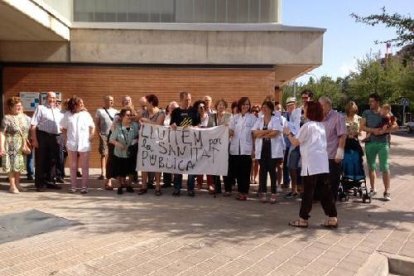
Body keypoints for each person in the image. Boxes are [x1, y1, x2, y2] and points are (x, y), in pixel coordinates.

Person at [284, 101, 338, 228]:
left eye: (305, 109)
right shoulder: (321, 126)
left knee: (308, 192)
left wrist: (288, 133)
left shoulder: (307, 126)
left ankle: (303, 219)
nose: (304, 111)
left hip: (311, 164)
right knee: (325, 192)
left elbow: (295, 142)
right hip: (322, 163)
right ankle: (332, 217)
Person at [360, 93, 398, 201]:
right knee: (371, 167)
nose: (369, 103)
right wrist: (373, 130)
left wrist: (384, 130)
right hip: (370, 143)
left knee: (385, 167)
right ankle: (373, 189)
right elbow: (362, 127)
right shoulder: (366, 112)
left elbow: (396, 127)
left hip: (383, 143)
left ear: (377, 102)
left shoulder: (386, 111)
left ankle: (387, 192)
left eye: (371, 101)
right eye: (369, 101)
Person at [61, 96, 95, 194]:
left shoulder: (86, 114)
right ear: (75, 105)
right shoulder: (67, 115)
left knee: (84, 166)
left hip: (84, 143)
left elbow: (92, 126)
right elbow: (63, 128)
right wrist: (66, 138)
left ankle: (84, 187)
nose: (83, 104)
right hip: (72, 143)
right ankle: (73, 187)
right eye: (81, 103)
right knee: (73, 166)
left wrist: (91, 136)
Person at [31, 91, 64, 192]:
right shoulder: (40, 108)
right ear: (46, 98)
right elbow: (33, 125)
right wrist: (34, 140)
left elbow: (62, 125)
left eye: (54, 98)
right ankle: (40, 184)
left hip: (56, 137)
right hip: (43, 136)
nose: (53, 100)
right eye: (51, 97)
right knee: (41, 160)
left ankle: (50, 182)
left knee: (53, 160)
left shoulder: (58, 111)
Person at [252, 101, 283, 204]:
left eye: (266, 107)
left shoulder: (276, 119)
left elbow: (275, 133)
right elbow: (254, 133)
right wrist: (267, 131)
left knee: (272, 171)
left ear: (271, 109)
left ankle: (273, 193)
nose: (264, 109)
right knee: (263, 171)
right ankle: (263, 192)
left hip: (272, 148)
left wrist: (262, 134)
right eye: (263, 107)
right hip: (262, 148)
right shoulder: (259, 120)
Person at [170, 91, 201, 197]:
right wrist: (173, 125)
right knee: (178, 166)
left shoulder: (194, 111)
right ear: (181, 100)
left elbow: (198, 125)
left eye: (189, 99)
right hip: (179, 144)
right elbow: (171, 124)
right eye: (186, 99)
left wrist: (193, 128)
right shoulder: (176, 112)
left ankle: (190, 188)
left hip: (191, 144)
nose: (188, 101)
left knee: (191, 166)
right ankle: (177, 188)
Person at [227, 97, 257, 201]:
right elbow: (230, 131)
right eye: (243, 104)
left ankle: (244, 192)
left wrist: (254, 149)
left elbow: (254, 134)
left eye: (247, 104)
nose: (245, 106)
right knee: (238, 172)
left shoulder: (253, 118)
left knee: (245, 172)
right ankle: (240, 191)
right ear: (240, 105)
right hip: (235, 148)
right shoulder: (234, 117)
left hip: (246, 149)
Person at [0, 97, 31, 193]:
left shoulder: (24, 117)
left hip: (20, 145)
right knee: (11, 165)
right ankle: (12, 186)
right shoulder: (7, 118)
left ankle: (18, 184)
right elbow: (1, 133)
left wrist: (26, 141)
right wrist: (1, 147)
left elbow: (26, 130)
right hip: (10, 144)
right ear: (11, 107)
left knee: (19, 165)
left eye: (20, 105)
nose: (19, 107)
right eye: (17, 106)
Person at [319, 96, 346, 201]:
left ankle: (332, 202)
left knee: (333, 180)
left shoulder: (338, 117)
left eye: (321, 106)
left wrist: (340, 152)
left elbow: (343, 135)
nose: (320, 108)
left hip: (332, 155)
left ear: (328, 105)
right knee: (322, 180)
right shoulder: (320, 117)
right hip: (320, 154)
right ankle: (324, 200)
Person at [137, 94, 165, 196]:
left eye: (146, 103)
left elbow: (158, 125)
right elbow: (135, 117)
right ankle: (143, 185)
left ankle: (158, 186)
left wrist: (147, 121)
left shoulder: (161, 113)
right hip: (145, 142)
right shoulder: (144, 112)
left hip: (157, 141)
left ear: (152, 103)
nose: (145, 105)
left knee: (157, 164)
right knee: (144, 163)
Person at [110, 107, 139, 195]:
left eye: (130, 115)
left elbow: (139, 136)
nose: (129, 117)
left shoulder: (134, 126)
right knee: (119, 170)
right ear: (122, 116)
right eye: (127, 115)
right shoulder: (118, 127)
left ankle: (129, 185)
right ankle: (119, 186)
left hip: (130, 153)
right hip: (119, 153)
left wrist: (136, 141)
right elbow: (111, 140)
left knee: (131, 170)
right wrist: (118, 144)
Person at [207, 99, 232, 194]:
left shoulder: (229, 116)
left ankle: (227, 188)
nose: (221, 106)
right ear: (216, 106)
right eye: (219, 105)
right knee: (215, 166)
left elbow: (231, 129)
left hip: (225, 145)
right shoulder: (212, 117)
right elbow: (209, 129)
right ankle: (217, 187)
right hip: (215, 145)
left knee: (226, 167)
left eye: (222, 105)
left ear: (225, 107)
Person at [95, 96, 118, 181]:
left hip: (114, 135)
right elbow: (97, 124)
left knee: (113, 154)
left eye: (112, 100)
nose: (111, 102)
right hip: (104, 134)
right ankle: (103, 173)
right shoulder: (99, 111)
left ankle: (113, 172)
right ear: (105, 101)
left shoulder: (116, 111)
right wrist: (99, 134)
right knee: (104, 153)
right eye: (109, 100)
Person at [283, 97, 302, 199]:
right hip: (289, 145)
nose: (290, 106)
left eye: (292, 104)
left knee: (298, 167)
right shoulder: (285, 116)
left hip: (299, 144)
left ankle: (299, 189)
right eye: (288, 105)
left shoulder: (300, 114)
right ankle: (294, 189)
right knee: (291, 167)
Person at [162, 101, 179, 188]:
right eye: (171, 108)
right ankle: (167, 181)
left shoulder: (181, 117)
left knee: (176, 162)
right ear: (168, 108)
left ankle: (176, 182)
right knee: (166, 161)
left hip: (178, 143)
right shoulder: (165, 117)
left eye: (175, 108)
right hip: (166, 143)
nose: (173, 109)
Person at [250, 104, 261, 184]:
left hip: (259, 142)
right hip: (249, 142)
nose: (254, 112)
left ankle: (256, 177)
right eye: (252, 111)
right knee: (250, 161)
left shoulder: (261, 120)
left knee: (257, 161)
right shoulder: (250, 120)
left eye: (256, 111)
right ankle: (251, 176)